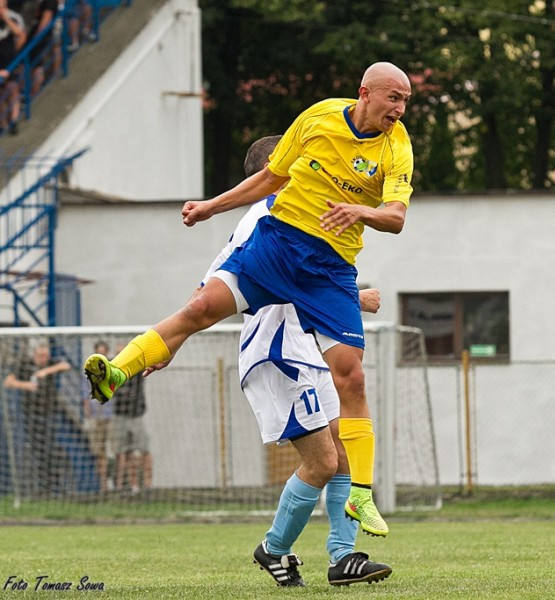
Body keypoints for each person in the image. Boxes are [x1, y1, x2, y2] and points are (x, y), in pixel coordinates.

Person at [84, 61, 413, 537]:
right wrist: (208, 207)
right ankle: (118, 371)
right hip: (276, 254)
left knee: (353, 380)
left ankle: (359, 498)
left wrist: (361, 210)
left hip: (328, 271)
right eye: (393, 98)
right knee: (199, 309)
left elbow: (396, 217)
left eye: (405, 101)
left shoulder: (397, 148)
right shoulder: (318, 118)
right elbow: (269, 179)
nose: (400, 109)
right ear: (365, 93)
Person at [210, 136, 390, 587]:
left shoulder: (299, 211)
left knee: (345, 450)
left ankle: (342, 557)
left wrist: (348, 298)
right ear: (276, 167)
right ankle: (273, 549)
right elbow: (224, 280)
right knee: (324, 462)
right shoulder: (265, 213)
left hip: (305, 350)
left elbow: (311, 277)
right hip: (277, 350)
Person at [3, 342, 71, 495]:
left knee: (50, 449)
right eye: (41, 356)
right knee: (38, 451)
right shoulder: (24, 365)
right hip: (31, 415)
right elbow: (8, 382)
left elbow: (65, 365)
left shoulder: (50, 364)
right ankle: (43, 488)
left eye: (46, 356)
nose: (44, 358)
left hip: (49, 413)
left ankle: (56, 486)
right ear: (34, 354)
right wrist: (25, 385)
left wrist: (46, 371)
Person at [111, 344, 152, 494]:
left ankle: (148, 485)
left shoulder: (137, 369)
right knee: (125, 451)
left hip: (136, 415)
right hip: (120, 415)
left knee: (144, 450)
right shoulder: (113, 372)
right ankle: (132, 485)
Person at [83, 340, 115, 491]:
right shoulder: (89, 372)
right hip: (97, 418)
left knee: (114, 450)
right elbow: (85, 398)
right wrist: (88, 417)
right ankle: (103, 485)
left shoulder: (114, 370)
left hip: (112, 417)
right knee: (99, 452)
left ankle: (116, 483)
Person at [0, 0, 25, 134]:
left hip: (10, 62)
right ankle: (3, 124)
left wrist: (6, 18)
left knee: (12, 87)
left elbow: (21, 35)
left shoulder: (13, 18)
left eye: (3, 6)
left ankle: (14, 121)